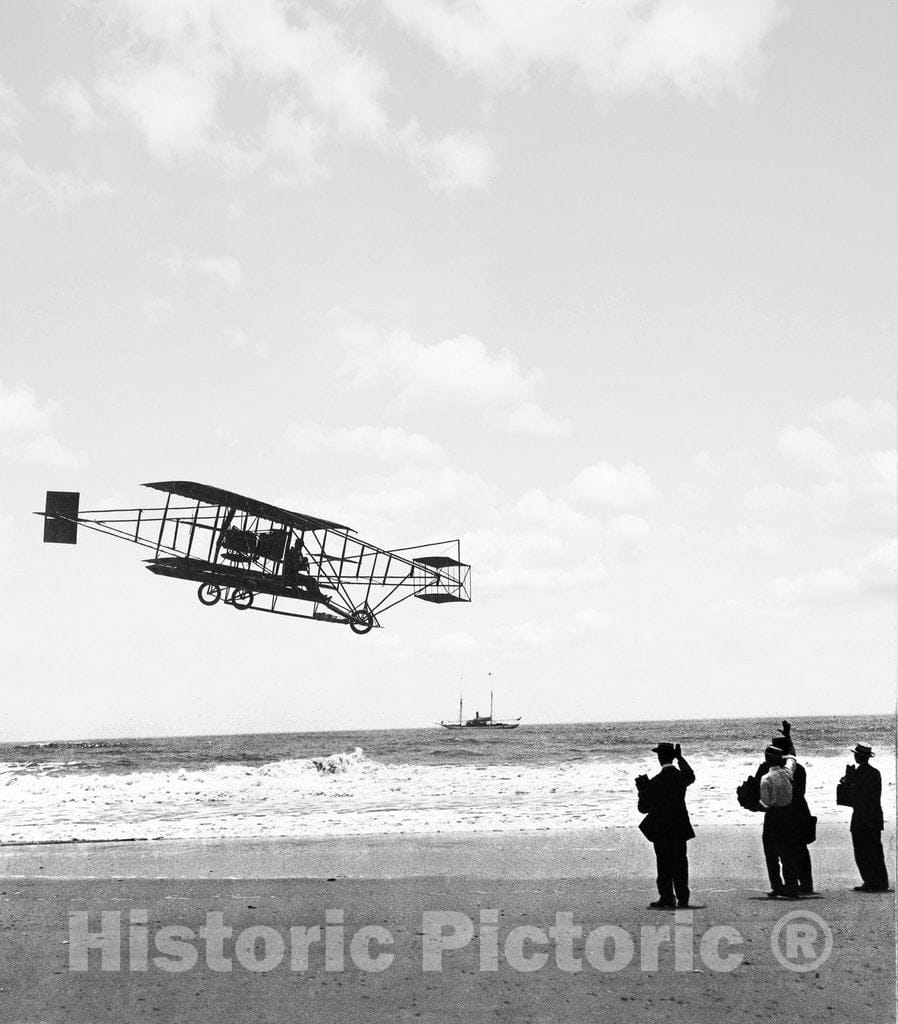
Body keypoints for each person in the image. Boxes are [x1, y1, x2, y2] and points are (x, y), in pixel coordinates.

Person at [636, 742, 695, 909]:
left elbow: (643, 808)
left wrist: (642, 791)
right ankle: (683, 897)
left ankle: (667, 897)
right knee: (680, 863)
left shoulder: (654, 782)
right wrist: (680, 758)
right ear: (672, 757)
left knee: (663, 864)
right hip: (679, 826)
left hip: (661, 829)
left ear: (660, 758)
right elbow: (690, 775)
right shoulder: (680, 778)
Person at [769, 722, 816, 895]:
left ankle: (792, 884)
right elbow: (792, 756)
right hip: (802, 813)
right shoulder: (799, 769)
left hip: (787, 815)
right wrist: (789, 738)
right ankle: (806, 883)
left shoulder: (777, 773)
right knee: (801, 850)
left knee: (788, 851)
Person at [839, 744, 890, 892]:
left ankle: (870, 881)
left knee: (861, 851)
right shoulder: (875, 773)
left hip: (861, 817)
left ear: (857, 756)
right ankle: (881, 881)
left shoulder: (857, 774)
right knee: (875, 850)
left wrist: (847, 779)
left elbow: (852, 795)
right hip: (874, 816)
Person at [755, 737, 800, 899]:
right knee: (787, 853)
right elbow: (792, 757)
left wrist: (755, 804)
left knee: (771, 854)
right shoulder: (787, 772)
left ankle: (777, 886)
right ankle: (792, 886)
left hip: (773, 817)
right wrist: (789, 740)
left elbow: (765, 803)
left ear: (767, 759)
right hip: (788, 815)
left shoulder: (766, 778)